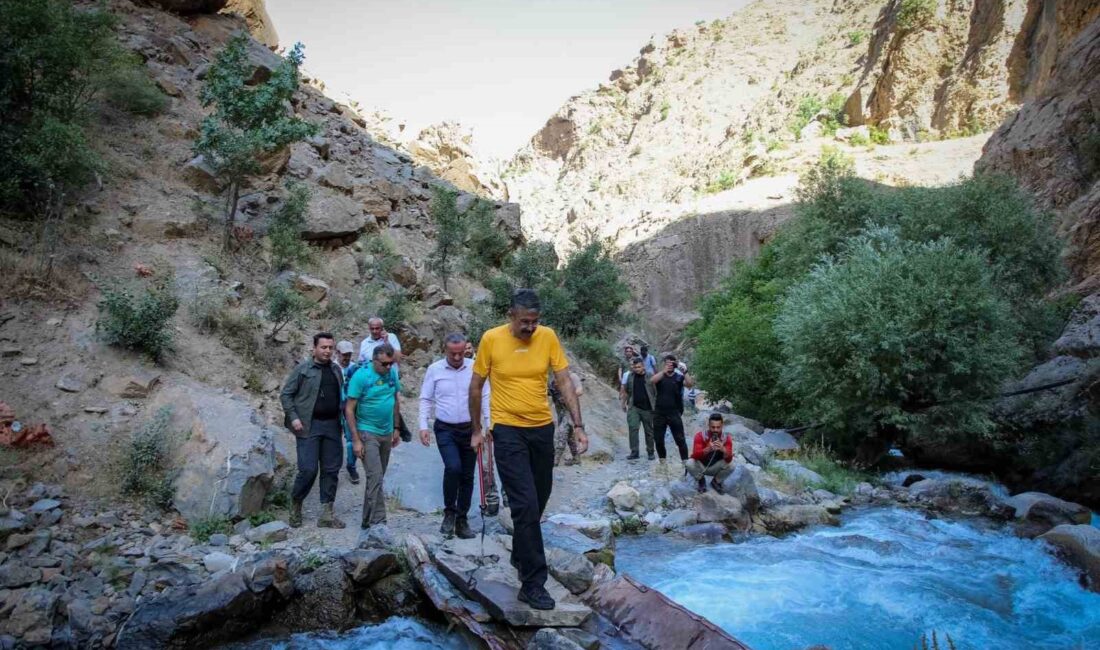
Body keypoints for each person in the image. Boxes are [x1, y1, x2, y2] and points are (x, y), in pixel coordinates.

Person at [469, 288, 586, 611]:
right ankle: (533, 583)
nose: (530, 328)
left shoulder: (547, 337)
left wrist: (578, 426)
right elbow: (476, 386)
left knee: (540, 499)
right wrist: (477, 429)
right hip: (506, 430)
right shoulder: (491, 339)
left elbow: (563, 381)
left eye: (534, 322)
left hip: (541, 429)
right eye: (524, 321)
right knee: (525, 504)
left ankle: (521, 552)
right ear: (511, 315)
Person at [418, 333, 490, 539]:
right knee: (453, 467)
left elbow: (485, 395)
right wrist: (423, 425)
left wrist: (488, 424)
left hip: (471, 428)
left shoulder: (475, 367)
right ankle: (449, 512)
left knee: (467, 474)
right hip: (445, 428)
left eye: (460, 353)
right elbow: (425, 398)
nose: (457, 358)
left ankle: (462, 519)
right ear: (444, 350)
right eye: (453, 354)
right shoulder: (435, 370)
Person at [279, 332, 347, 529]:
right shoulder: (303, 369)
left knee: (331, 469)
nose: (327, 351)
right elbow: (286, 395)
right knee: (308, 469)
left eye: (330, 348)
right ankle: (296, 503)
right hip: (309, 425)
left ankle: (326, 514)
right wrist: (294, 418)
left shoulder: (336, 370)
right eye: (323, 347)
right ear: (315, 348)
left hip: (333, 426)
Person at [345, 343, 402, 535]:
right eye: (385, 364)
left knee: (376, 478)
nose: (388, 368)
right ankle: (379, 521)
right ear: (375, 360)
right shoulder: (361, 376)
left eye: (391, 364)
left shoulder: (392, 373)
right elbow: (349, 409)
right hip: (366, 432)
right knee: (375, 476)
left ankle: (366, 520)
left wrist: (396, 427)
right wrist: (356, 440)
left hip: (386, 432)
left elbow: (395, 400)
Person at [357, 317, 412, 443]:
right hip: (372, 378)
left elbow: (398, 359)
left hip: (390, 376)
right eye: (372, 328)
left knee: (393, 402)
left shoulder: (391, 337)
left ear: (382, 328)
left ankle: (398, 429)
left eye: (378, 328)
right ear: (369, 328)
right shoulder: (365, 343)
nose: (375, 331)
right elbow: (360, 362)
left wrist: (387, 342)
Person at [650, 354, 689, 465]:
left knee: (680, 439)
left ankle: (685, 463)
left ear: (675, 364)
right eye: (667, 363)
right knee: (658, 439)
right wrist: (664, 371)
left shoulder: (679, 377)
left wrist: (685, 372)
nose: (670, 365)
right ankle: (663, 462)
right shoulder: (660, 376)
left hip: (674, 412)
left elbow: (690, 384)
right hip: (659, 412)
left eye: (672, 363)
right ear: (664, 364)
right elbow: (652, 380)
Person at [687, 413, 734, 493]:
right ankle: (701, 480)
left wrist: (723, 449)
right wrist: (707, 448)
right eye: (713, 427)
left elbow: (729, 459)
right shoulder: (700, 436)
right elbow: (695, 455)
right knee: (689, 463)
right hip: (702, 467)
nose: (715, 430)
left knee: (732, 465)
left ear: (722, 425)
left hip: (715, 467)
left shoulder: (726, 438)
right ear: (708, 425)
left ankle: (716, 481)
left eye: (718, 427)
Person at [335, 340, 361, 485]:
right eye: (344, 354)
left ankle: (351, 466)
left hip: (350, 409)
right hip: (333, 409)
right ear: (337, 353)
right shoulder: (331, 367)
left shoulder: (355, 368)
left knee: (352, 439)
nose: (346, 357)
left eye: (349, 354)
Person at [621, 357, 656, 461]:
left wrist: (656, 406)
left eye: (639, 367)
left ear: (643, 366)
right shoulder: (630, 377)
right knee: (633, 429)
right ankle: (634, 452)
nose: (636, 369)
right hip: (634, 407)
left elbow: (656, 391)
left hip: (647, 408)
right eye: (635, 367)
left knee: (649, 431)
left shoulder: (650, 376)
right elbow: (626, 391)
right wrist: (623, 403)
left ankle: (650, 452)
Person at [551, 370, 584, 467]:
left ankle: (555, 460)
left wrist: (567, 397)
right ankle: (576, 458)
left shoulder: (572, 376)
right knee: (570, 435)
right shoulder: (553, 378)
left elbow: (579, 391)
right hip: (560, 410)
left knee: (561, 433)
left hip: (568, 410)